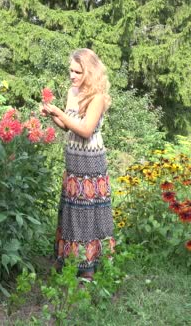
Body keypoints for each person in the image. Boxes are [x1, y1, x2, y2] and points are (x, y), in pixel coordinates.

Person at [41, 48, 115, 281]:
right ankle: (70, 261)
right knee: (73, 211)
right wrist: (52, 114)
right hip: (73, 160)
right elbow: (67, 126)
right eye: (70, 70)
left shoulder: (97, 97)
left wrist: (61, 114)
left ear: (89, 72)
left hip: (90, 162)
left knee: (88, 213)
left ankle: (89, 269)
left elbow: (85, 130)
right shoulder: (73, 92)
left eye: (77, 71)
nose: (72, 75)